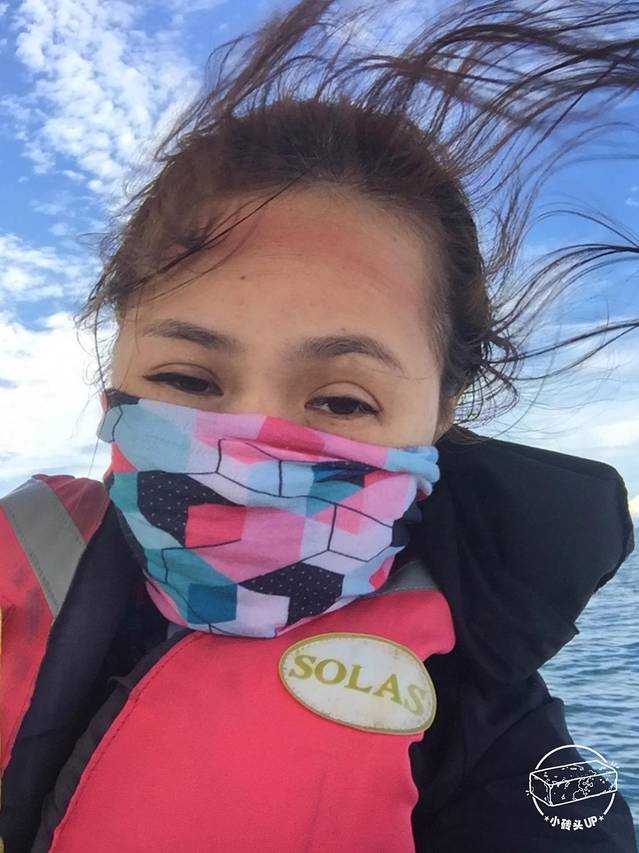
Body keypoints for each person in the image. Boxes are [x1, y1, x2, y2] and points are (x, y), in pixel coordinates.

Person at [1, 0, 638, 850]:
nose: (248, 449)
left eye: (341, 400)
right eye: (187, 378)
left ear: (439, 416)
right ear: (112, 378)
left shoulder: (489, 735)